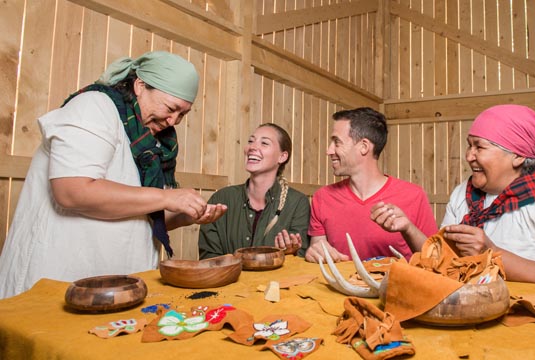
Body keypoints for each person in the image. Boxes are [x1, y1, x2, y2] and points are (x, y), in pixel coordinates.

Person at [0, 51, 227, 299]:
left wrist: (186, 215)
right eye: (171, 108)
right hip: (60, 274)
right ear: (140, 86)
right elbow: (72, 192)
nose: (174, 121)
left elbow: (144, 213)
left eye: (183, 114)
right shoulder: (94, 107)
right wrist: (167, 198)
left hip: (116, 281)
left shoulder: (152, 142)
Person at [441, 104, 535, 290]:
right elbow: (443, 257)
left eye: (479, 147)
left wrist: (491, 255)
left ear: (517, 156)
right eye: (469, 145)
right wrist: (409, 229)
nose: (469, 156)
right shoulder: (462, 194)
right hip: (482, 308)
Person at [305, 107, 438, 263]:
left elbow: (435, 259)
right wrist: (314, 253)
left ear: (364, 147)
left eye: (336, 142)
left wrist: (408, 228)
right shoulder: (323, 198)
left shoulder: (413, 195)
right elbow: (318, 249)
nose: (329, 150)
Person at [199, 123, 310, 258]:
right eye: (251, 141)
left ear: (282, 156)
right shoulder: (221, 199)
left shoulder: (297, 203)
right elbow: (208, 257)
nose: (252, 147)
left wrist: (290, 253)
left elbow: (301, 258)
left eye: (264, 143)